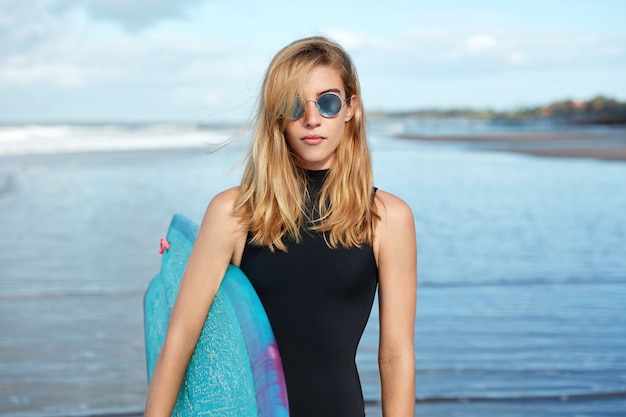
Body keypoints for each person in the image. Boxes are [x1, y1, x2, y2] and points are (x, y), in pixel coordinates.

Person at [144, 36, 417, 417]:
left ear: (350, 107)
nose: (312, 118)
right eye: (293, 105)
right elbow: (179, 340)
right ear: (277, 115)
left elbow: (396, 355)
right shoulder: (234, 213)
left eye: (328, 102)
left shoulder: (388, 218)